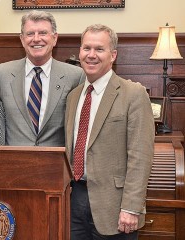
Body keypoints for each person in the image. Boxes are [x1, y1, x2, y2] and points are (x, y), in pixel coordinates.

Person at [65, 24, 155, 239]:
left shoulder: (134, 94)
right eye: (86, 48)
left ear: (113, 55)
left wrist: (132, 208)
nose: (91, 55)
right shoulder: (74, 96)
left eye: (99, 49)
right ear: (80, 52)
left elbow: (140, 156)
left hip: (115, 207)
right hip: (73, 201)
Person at [0, 10, 85, 146]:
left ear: (55, 38)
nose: (36, 39)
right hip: (13, 162)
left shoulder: (75, 76)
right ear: (22, 39)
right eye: (30, 33)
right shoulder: (2, 74)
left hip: (56, 162)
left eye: (43, 33)